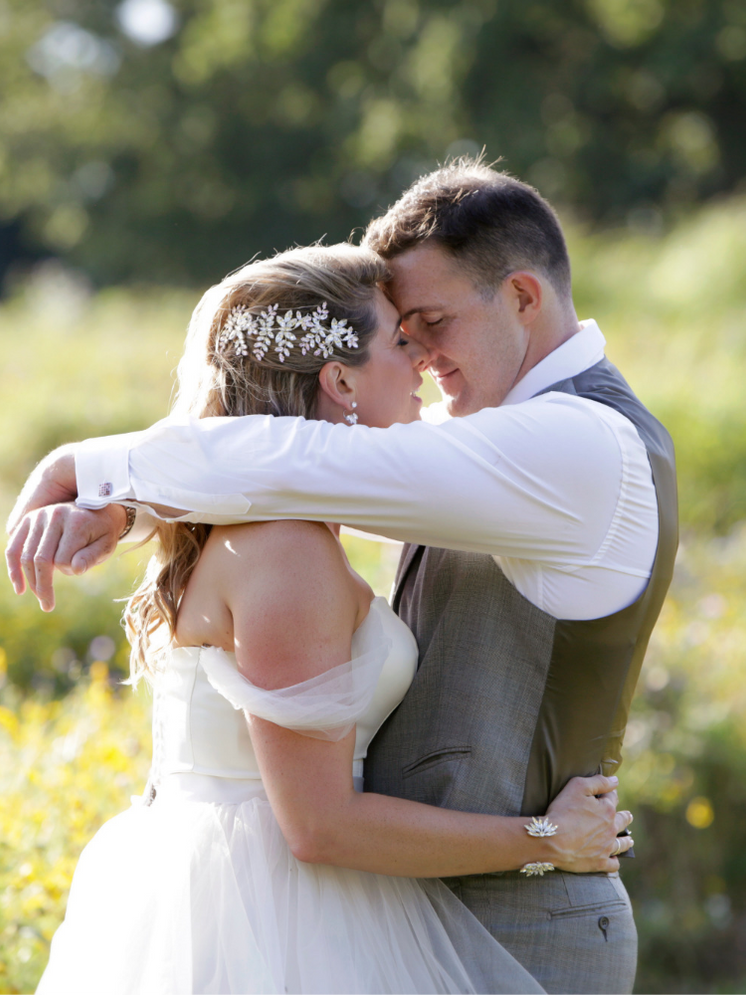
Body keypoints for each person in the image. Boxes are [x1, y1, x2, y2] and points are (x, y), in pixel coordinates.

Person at [7, 159, 677, 995]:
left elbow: (317, 458)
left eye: (429, 322)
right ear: (338, 379)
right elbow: (301, 463)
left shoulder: (577, 444)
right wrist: (125, 503)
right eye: (405, 336)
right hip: (372, 911)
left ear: (522, 297)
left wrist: (97, 469)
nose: (424, 360)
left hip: (523, 922)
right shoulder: (444, 462)